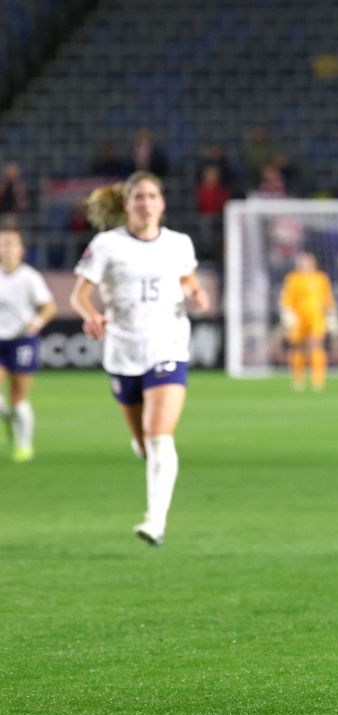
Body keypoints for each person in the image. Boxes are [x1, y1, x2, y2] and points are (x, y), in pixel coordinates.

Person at [70, 171, 210, 546]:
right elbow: (79, 295)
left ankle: (155, 521)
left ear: (162, 203)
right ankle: (148, 458)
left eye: (152, 196)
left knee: (160, 437)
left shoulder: (179, 243)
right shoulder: (106, 245)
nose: (146, 203)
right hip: (122, 350)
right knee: (144, 444)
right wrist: (91, 315)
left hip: (167, 346)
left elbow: (188, 281)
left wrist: (197, 294)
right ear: (127, 203)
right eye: (139, 197)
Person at [0, 228, 56, 462]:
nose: (8, 249)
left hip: (22, 341)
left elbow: (48, 306)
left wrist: (37, 322)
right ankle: (8, 423)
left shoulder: (30, 277)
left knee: (18, 398)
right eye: (4, 244)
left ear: (21, 250)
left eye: (12, 244)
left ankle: (23, 445)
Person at [279, 251, 338, 392]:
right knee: (298, 347)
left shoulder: (321, 278)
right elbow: (286, 299)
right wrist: (287, 314)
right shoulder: (293, 278)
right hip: (298, 318)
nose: (305, 265)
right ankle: (298, 378)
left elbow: (327, 299)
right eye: (302, 262)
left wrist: (331, 314)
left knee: (316, 345)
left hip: (316, 317)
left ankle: (318, 379)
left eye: (308, 261)